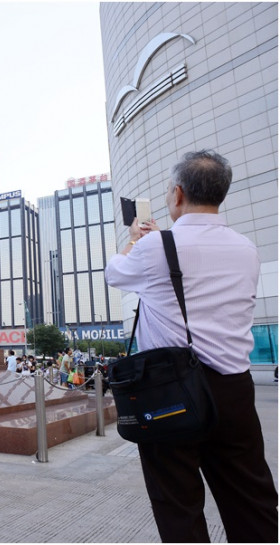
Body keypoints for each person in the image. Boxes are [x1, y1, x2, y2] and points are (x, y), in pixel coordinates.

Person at [105, 150, 278, 543]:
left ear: (178, 194)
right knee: (251, 500)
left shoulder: (155, 247)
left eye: (169, 190)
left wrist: (134, 241)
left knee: (177, 505)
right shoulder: (245, 249)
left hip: (171, 388)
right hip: (235, 389)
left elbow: (114, 273)